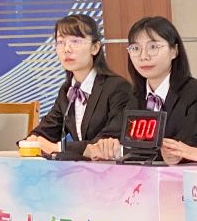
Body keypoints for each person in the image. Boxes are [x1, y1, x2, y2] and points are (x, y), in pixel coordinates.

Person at [82, 16, 197, 162]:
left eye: (153, 47)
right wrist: (104, 146)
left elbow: (185, 146)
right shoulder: (135, 96)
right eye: (135, 48)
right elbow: (112, 134)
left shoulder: (193, 93)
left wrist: (122, 150)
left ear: (174, 50)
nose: (143, 56)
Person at [26, 14, 132, 157]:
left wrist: (58, 147)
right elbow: (44, 131)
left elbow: (106, 142)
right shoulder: (67, 90)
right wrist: (34, 140)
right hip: (80, 167)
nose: (66, 49)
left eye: (75, 41)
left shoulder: (117, 87)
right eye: (60, 42)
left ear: (95, 47)